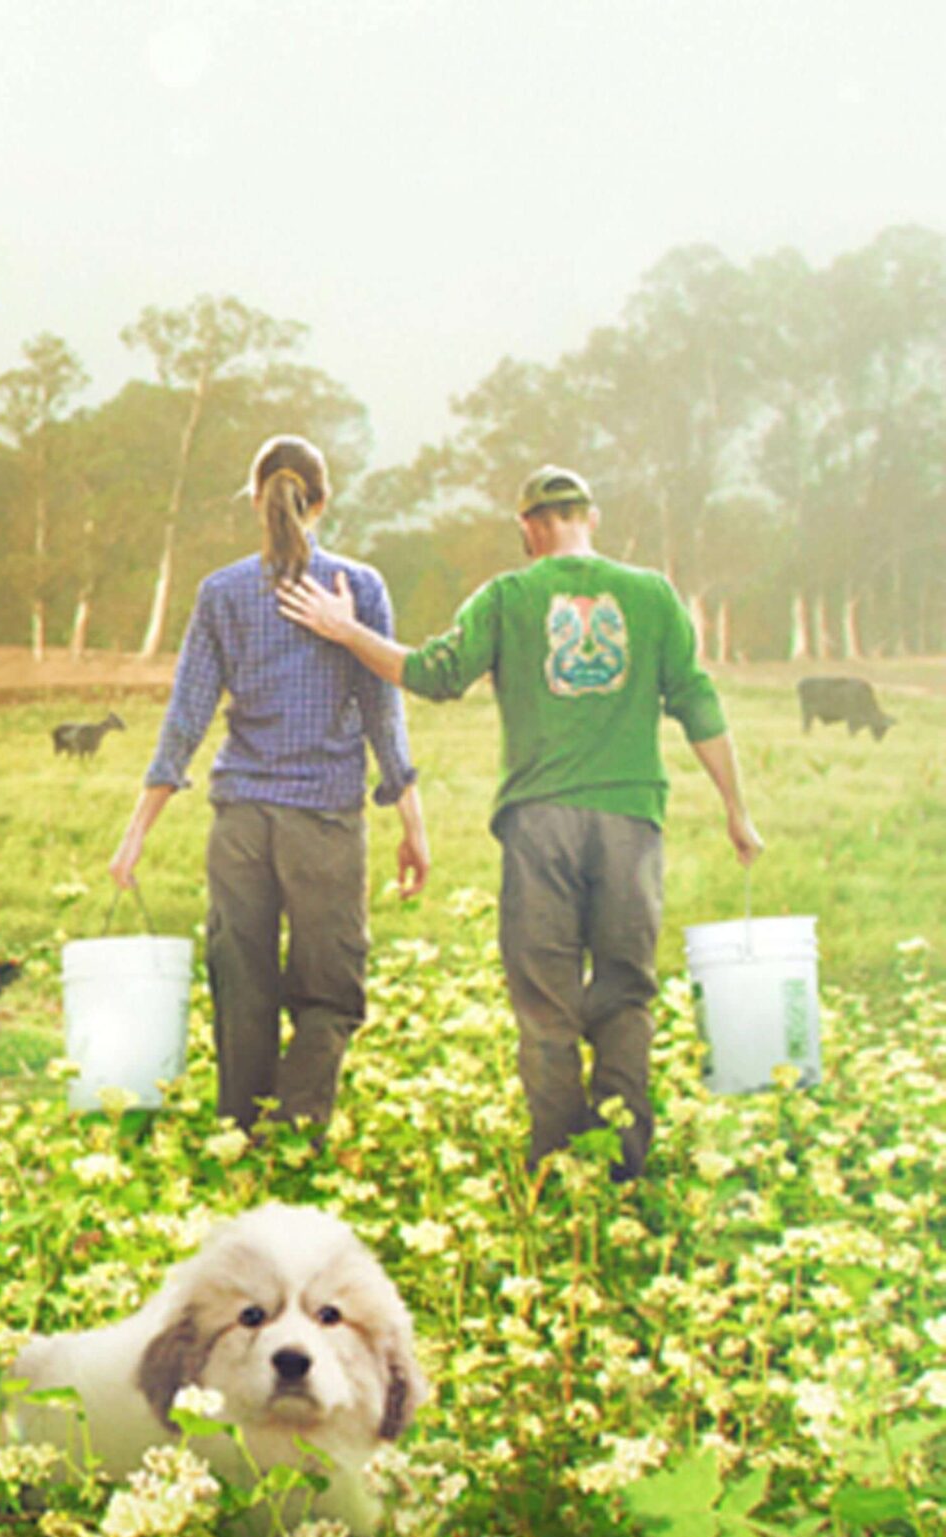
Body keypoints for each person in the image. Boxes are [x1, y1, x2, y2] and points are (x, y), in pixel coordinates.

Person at [276, 465, 763, 1181]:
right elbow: (699, 704)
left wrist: (347, 632)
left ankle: (554, 1164)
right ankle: (623, 1164)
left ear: (531, 530)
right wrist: (737, 810)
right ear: (589, 517)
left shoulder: (509, 595)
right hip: (631, 824)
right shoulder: (655, 596)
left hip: (541, 829)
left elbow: (434, 673)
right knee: (626, 990)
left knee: (545, 1001)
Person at [111, 435, 429, 1135]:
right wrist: (414, 823)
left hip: (242, 824)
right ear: (323, 501)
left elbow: (185, 719)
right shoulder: (360, 589)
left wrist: (135, 834)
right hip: (323, 822)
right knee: (330, 994)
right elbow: (384, 712)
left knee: (242, 992)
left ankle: (242, 1138)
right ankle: (296, 1128)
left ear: (257, 498)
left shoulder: (222, 592)